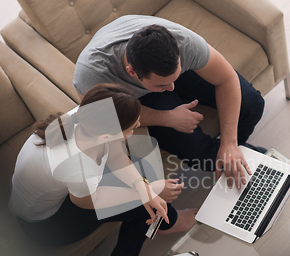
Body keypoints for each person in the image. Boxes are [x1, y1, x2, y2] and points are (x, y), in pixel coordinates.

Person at [10, 83, 196, 256]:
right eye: (132, 125)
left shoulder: (86, 118)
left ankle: (165, 222)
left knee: (142, 176)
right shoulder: (76, 164)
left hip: (60, 193)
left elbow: (116, 155)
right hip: (47, 225)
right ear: (107, 135)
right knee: (142, 206)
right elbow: (88, 202)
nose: (138, 123)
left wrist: (143, 186)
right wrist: (149, 191)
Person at [73, 15, 266, 190]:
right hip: (132, 97)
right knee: (198, 151)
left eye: (174, 80)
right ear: (132, 72)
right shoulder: (92, 75)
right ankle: (261, 163)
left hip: (162, 69)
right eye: (164, 85)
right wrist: (167, 118)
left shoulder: (182, 42)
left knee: (253, 104)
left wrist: (230, 143)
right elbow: (112, 116)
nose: (173, 88)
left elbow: (226, 78)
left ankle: (235, 153)